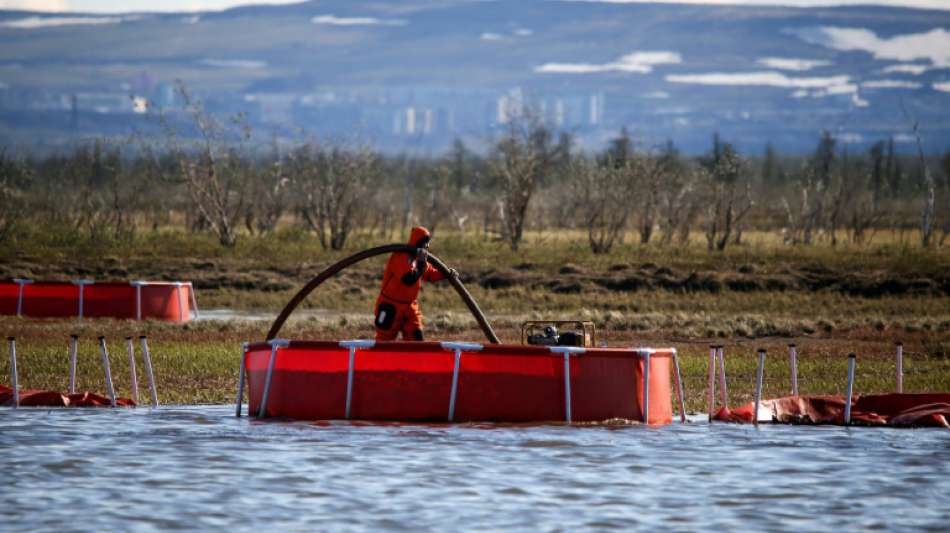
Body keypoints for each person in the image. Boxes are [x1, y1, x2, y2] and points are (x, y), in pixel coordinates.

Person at [374, 226, 455, 341]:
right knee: (383, 343)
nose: (427, 246)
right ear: (416, 242)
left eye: (428, 243)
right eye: (424, 242)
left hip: (410, 307)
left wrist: (447, 273)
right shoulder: (400, 256)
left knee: (416, 341)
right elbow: (408, 279)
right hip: (390, 306)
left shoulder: (420, 260)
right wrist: (421, 264)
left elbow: (430, 274)